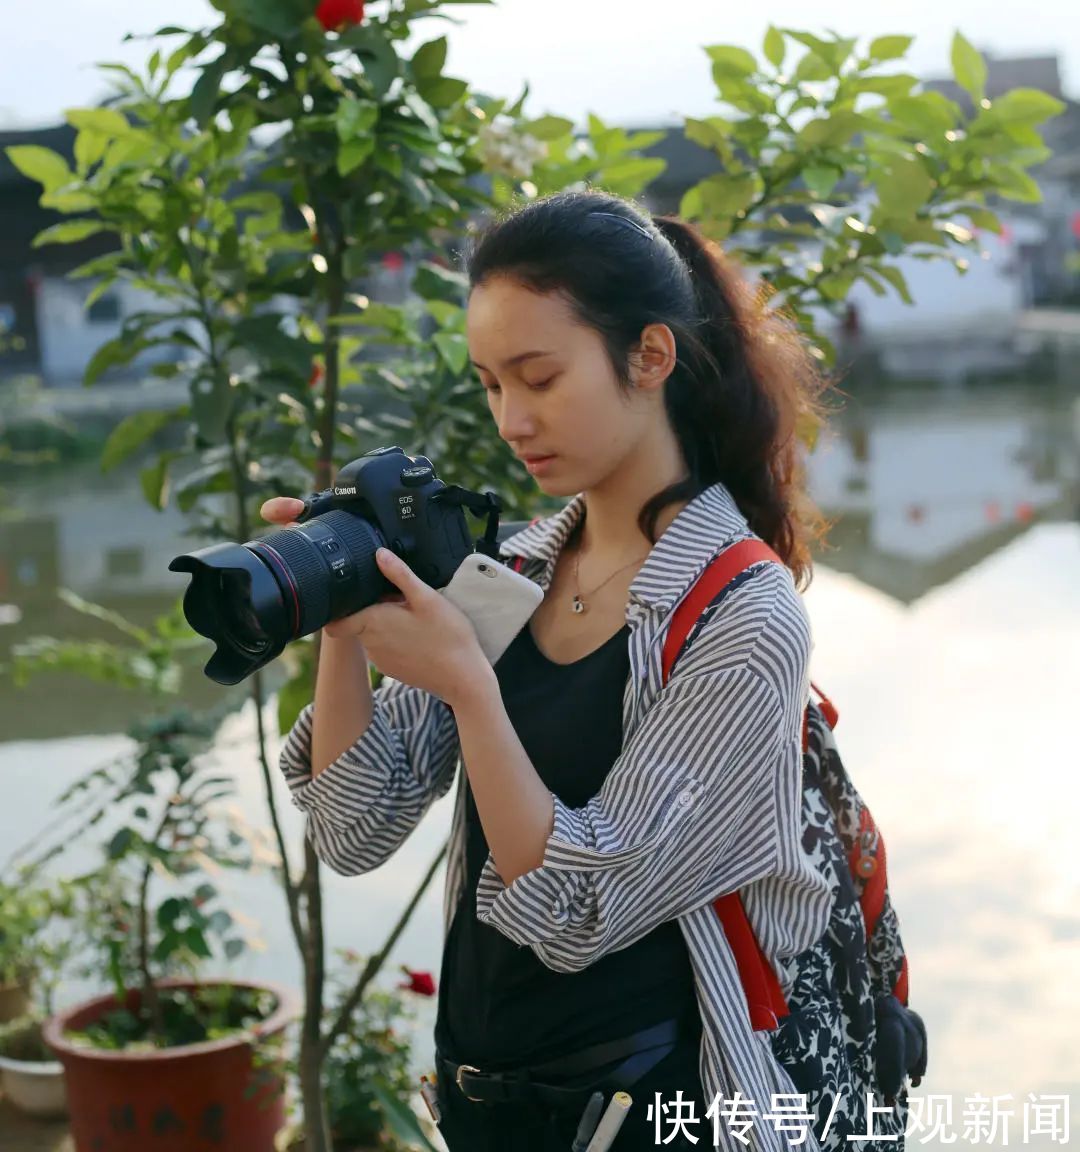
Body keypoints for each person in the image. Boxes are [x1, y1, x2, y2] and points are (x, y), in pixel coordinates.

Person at [268, 189, 838, 1152]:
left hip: (650, 1110)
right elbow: (351, 825)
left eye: (538, 377)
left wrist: (471, 691)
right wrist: (341, 610)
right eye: (491, 384)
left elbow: (581, 911)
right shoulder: (519, 571)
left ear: (650, 356)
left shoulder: (744, 614)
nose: (511, 420)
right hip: (483, 1099)